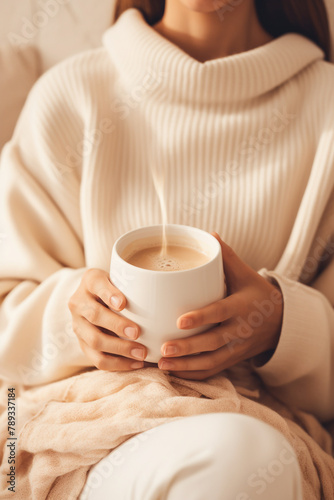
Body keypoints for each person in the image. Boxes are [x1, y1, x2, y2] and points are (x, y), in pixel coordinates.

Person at [0, 0, 333, 498]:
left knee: (245, 456)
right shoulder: (72, 95)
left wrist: (283, 326)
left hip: (261, 437)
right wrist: (73, 323)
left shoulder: (326, 108)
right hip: (76, 431)